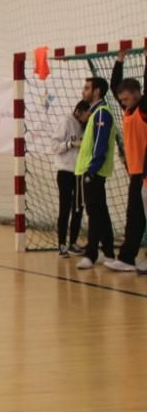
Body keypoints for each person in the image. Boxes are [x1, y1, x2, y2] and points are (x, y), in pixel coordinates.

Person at [107, 50, 147, 273]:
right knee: (134, 218)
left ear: (137, 94)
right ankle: (127, 258)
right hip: (136, 173)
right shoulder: (129, 110)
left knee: (138, 218)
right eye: (121, 99)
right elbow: (114, 86)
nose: (121, 102)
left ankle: (128, 257)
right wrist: (119, 60)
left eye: (125, 98)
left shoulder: (143, 109)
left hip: (145, 172)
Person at [75, 77, 118, 270]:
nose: (83, 91)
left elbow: (100, 145)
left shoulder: (101, 113)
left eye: (87, 88)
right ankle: (108, 252)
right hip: (91, 170)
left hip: (94, 171)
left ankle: (91, 255)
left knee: (94, 212)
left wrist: (91, 170)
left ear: (97, 91)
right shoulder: (94, 113)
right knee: (101, 211)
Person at [52, 100, 91, 256]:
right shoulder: (66, 122)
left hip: (79, 173)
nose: (89, 117)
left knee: (78, 208)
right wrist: (71, 144)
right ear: (79, 111)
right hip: (65, 172)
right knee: (65, 208)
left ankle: (73, 242)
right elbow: (54, 146)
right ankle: (61, 244)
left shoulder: (85, 126)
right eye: (87, 114)